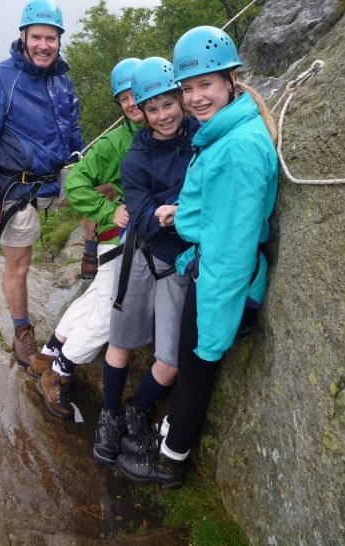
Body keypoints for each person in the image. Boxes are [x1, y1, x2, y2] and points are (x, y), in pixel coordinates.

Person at [116, 26, 279, 487]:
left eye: (204, 85)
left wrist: (212, 333)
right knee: (189, 365)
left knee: (195, 370)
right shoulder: (225, 132)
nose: (194, 98)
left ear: (230, 80)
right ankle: (167, 433)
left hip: (221, 283)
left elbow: (231, 254)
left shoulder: (236, 151)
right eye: (187, 88)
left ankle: (170, 459)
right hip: (207, 267)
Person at [93, 57, 199, 467]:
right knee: (121, 339)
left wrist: (172, 210)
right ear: (141, 112)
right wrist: (181, 210)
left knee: (170, 358)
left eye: (168, 104)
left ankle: (137, 408)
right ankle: (109, 414)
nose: (162, 115)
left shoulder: (202, 136)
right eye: (151, 109)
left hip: (179, 261)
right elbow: (142, 220)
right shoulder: (135, 159)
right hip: (141, 253)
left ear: (180, 99)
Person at [0, 0, 84, 368]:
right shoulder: (0, 77)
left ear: (60, 40)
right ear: (22, 36)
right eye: (37, 37)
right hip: (17, 188)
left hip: (57, 175)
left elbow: (72, 125)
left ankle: (93, 258)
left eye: (51, 38)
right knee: (19, 265)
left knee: (107, 187)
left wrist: (85, 161)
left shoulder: (61, 77)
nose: (44, 45)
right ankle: (22, 333)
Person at [28, 58, 144, 418]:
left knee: (97, 296)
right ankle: (59, 372)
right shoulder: (115, 142)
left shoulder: (148, 131)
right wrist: (110, 212)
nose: (130, 103)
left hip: (121, 239)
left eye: (134, 94)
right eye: (122, 99)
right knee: (111, 314)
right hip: (120, 237)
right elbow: (75, 183)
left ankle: (48, 353)